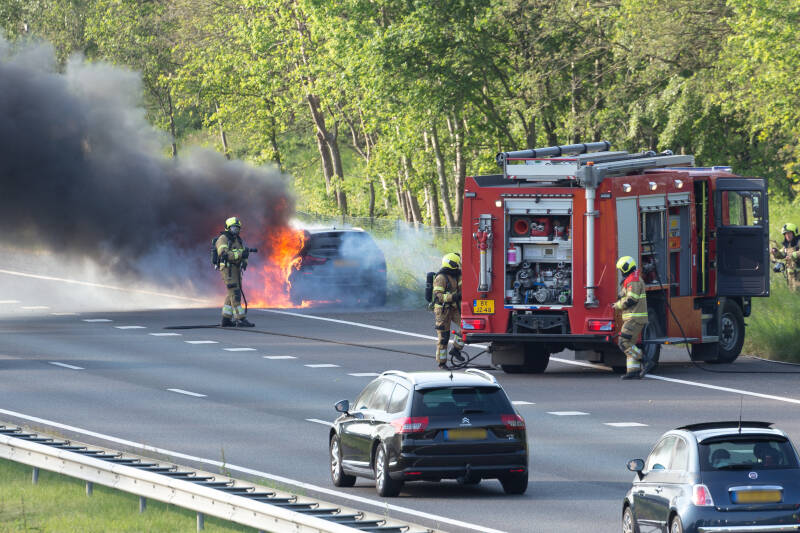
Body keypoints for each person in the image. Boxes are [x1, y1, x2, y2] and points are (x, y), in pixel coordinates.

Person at [613, 256, 651, 379]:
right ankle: (633, 371)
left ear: (625, 269)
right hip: (634, 317)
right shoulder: (632, 279)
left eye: (621, 270)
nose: (620, 272)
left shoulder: (633, 281)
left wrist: (617, 305)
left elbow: (631, 299)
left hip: (634, 318)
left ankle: (645, 359)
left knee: (623, 342)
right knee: (630, 343)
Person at [216, 217, 255, 328]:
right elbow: (223, 254)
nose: (236, 230)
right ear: (228, 228)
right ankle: (240, 319)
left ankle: (226, 319)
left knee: (231, 293)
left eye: (237, 228)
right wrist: (240, 255)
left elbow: (243, 253)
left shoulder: (238, 240)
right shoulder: (223, 239)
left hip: (236, 270)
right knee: (235, 294)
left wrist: (244, 261)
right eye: (233, 227)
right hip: (228, 270)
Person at [432, 252, 465, 369]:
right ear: (451, 264)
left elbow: (462, 288)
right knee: (444, 337)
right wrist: (453, 297)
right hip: (443, 310)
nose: (458, 265)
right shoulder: (441, 278)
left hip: (454, 308)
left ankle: (456, 349)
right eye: (457, 263)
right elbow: (438, 296)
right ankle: (442, 363)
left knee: (466, 326)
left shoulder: (457, 275)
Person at [771, 222, 800, 292]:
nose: (787, 236)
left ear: (794, 233)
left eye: (789, 233)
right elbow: (782, 254)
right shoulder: (787, 246)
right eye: (786, 234)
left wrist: (793, 255)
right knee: (794, 296)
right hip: (791, 276)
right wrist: (775, 252)